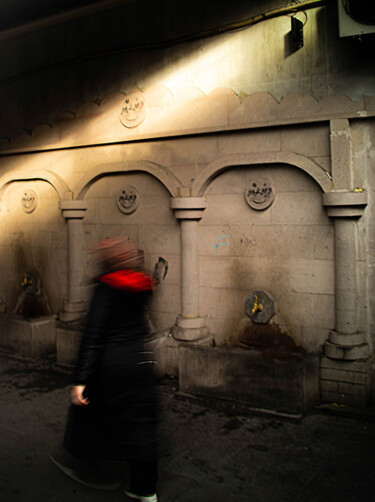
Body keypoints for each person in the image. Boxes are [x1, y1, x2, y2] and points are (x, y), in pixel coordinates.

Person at [63, 237, 159, 502]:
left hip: (111, 364)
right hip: (139, 361)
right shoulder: (142, 285)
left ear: (108, 261)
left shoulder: (106, 288)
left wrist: (80, 379)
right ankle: (145, 489)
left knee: (91, 410)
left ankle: (89, 462)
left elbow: (93, 335)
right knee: (141, 424)